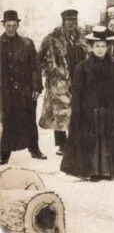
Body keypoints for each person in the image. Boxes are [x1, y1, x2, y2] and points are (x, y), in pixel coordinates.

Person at [60, 27, 114, 181]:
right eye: (97, 46)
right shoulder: (81, 68)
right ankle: (92, 171)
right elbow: (77, 94)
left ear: (108, 47)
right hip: (89, 111)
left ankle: (107, 170)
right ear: (90, 47)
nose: (100, 49)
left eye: (103, 46)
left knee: (107, 139)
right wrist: (77, 113)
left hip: (109, 111)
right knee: (91, 140)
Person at [39, 9, 87, 156]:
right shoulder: (52, 39)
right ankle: (62, 145)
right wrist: (50, 69)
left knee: (77, 110)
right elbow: (40, 58)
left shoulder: (82, 37)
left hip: (79, 78)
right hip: (59, 80)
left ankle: (76, 141)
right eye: (68, 20)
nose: (71, 23)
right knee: (60, 112)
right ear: (63, 22)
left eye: (74, 20)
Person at [0, 10, 45, 164]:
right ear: (4, 25)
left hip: (26, 92)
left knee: (29, 120)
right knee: (7, 121)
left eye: (14, 25)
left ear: (18, 25)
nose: (11, 28)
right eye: (8, 25)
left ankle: (35, 149)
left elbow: (35, 68)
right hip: (6, 92)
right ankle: (4, 153)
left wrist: (36, 88)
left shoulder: (27, 43)